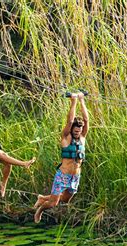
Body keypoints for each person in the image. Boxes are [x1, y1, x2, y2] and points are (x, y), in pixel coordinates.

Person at [33, 91, 89, 223]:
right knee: (53, 203)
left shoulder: (82, 138)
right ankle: (40, 209)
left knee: (65, 199)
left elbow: (86, 120)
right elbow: (70, 121)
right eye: (75, 130)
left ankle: (42, 198)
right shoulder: (65, 138)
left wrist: (82, 100)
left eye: (79, 131)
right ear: (71, 130)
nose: (78, 132)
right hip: (63, 175)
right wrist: (74, 101)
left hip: (75, 177)